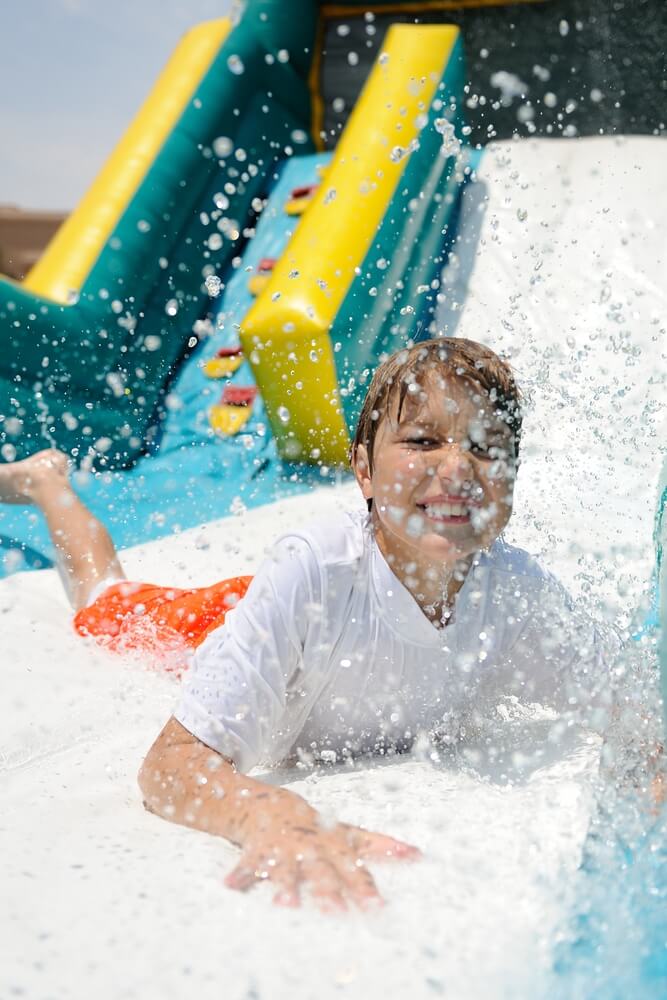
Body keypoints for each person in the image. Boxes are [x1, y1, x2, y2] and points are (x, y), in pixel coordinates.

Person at [0, 338, 619, 912]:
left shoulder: (514, 588)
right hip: (229, 614)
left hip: (308, 602)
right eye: (424, 441)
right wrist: (268, 813)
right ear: (364, 472)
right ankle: (49, 485)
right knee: (107, 605)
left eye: (486, 447)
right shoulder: (313, 573)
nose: (459, 468)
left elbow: (626, 702)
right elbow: (169, 767)